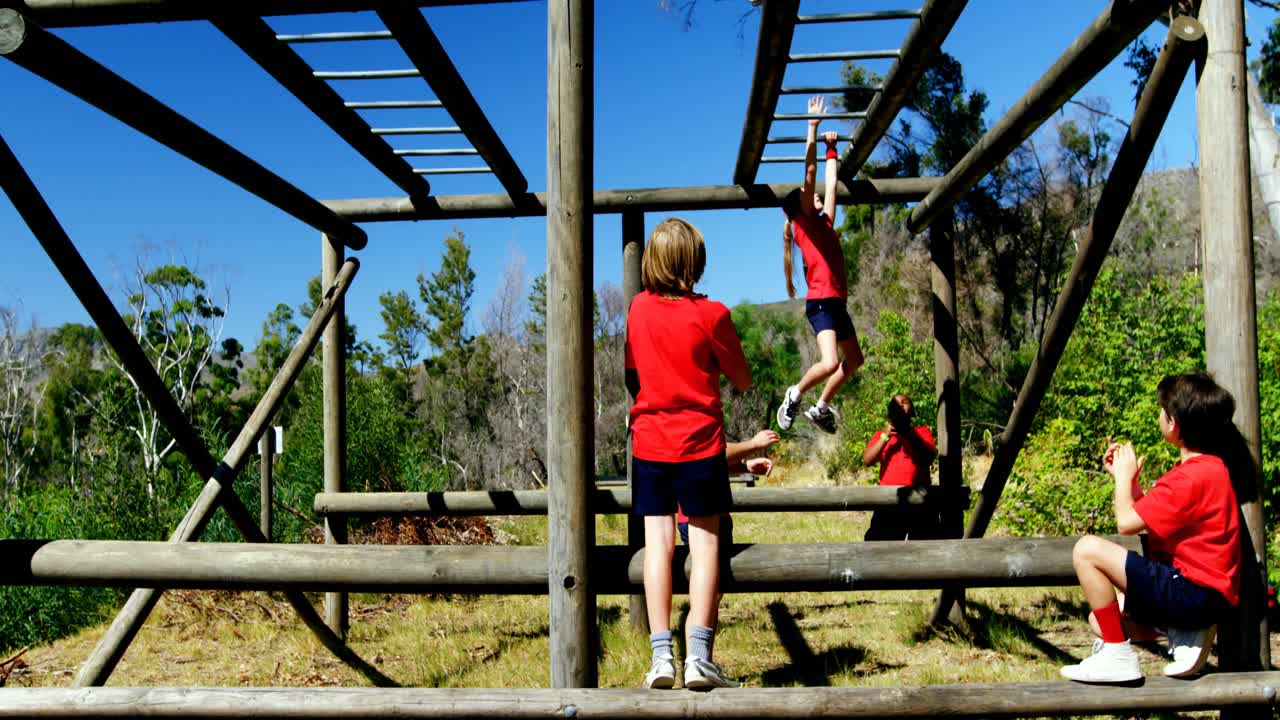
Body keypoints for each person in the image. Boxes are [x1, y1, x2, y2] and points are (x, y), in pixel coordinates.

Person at [625, 217, 751, 690]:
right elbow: (741, 378)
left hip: (650, 441)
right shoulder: (712, 313)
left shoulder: (638, 309)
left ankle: (661, 658)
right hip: (699, 441)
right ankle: (699, 655)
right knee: (706, 546)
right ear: (694, 262)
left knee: (657, 544)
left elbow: (633, 368)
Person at [1060, 372, 1242, 683]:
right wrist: (1129, 482)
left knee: (1086, 550)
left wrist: (1121, 478)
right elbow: (1154, 518)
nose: (1159, 415)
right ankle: (1177, 630)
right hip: (1204, 598)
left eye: (1162, 410)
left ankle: (1117, 655)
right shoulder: (1211, 470)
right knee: (1100, 619)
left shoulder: (1187, 478)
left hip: (1191, 593)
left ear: (1174, 424)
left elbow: (1126, 523)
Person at [775, 95, 864, 435]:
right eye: (803, 192)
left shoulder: (824, 221)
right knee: (829, 362)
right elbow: (810, 172)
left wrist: (832, 149)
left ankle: (821, 406)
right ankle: (795, 394)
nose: (809, 191)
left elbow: (830, 186)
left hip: (835, 302)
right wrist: (811, 128)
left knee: (854, 361)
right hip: (822, 302)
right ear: (798, 207)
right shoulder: (806, 223)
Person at [861, 394, 938, 541]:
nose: (901, 406)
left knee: (926, 547)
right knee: (881, 546)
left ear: (912, 410)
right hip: (889, 500)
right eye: (896, 405)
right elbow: (867, 460)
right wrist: (886, 436)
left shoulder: (922, 432)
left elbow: (928, 457)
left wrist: (909, 434)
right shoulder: (881, 435)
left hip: (920, 500)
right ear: (891, 413)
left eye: (904, 402)